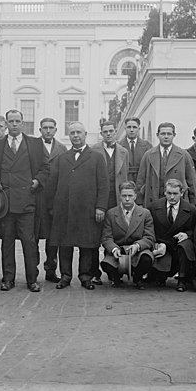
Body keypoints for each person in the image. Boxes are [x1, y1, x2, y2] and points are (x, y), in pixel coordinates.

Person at [0, 109, 49, 292]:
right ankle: (8, 279)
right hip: (5, 204)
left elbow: (45, 168)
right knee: (7, 242)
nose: (13, 124)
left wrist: (37, 181)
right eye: (10, 121)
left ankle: (32, 280)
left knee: (29, 242)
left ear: (22, 122)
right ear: (6, 123)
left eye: (17, 121)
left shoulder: (35, 143)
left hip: (27, 202)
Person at [47, 122, 109, 290]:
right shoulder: (62, 158)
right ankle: (66, 276)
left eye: (78, 132)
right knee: (64, 244)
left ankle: (85, 276)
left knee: (87, 244)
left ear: (85, 134)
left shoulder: (96, 157)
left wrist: (100, 207)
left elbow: (104, 185)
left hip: (87, 209)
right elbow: (52, 184)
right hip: (64, 210)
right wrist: (52, 207)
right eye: (72, 133)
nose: (75, 135)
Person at [91, 120, 130, 284]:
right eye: (105, 131)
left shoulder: (123, 151)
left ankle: (116, 272)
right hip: (98, 200)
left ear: (116, 132)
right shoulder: (93, 151)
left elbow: (126, 176)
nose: (108, 134)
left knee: (116, 235)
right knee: (94, 237)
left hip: (116, 199)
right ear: (101, 133)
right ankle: (94, 273)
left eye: (111, 131)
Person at [146, 179, 196, 292]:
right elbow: (148, 228)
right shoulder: (154, 208)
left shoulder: (191, 210)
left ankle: (182, 279)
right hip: (161, 244)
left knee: (185, 246)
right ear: (164, 192)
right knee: (157, 280)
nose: (171, 197)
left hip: (179, 246)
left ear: (181, 193)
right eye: (169, 193)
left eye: (175, 194)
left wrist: (187, 234)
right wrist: (155, 242)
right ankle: (158, 273)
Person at [100, 181, 155, 289]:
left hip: (137, 251)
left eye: (130, 195)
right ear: (120, 196)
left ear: (135, 196)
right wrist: (114, 249)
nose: (127, 199)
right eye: (124, 196)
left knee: (147, 259)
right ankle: (116, 278)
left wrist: (137, 246)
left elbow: (149, 237)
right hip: (119, 249)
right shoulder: (111, 213)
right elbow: (106, 237)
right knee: (106, 264)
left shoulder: (144, 213)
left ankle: (138, 278)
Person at [34, 117, 67, 283]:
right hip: (36, 197)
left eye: (51, 128)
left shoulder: (62, 148)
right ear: (40, 130)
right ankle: (32, 270)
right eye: (44, 128)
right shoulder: (32, 146)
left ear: (55, 130)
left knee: (53, 238)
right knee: (33, 236)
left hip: (54, 198)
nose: (48, 130)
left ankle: (51, 270)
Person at [136, 122, 196, 208]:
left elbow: (192, 181)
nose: (166, 136)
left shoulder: (183, 155)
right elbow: (140, 180)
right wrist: (139, 202)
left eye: (169, 134)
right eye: (163, 134)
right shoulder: (148, 155)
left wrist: (194, 203)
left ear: (174, 135)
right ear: (157, 135)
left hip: (177, 200)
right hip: (154, 199)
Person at [119, 117, 152, 184]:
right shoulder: (118, 146)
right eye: (129, 127)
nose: (131, 130)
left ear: (138, 129)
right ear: (125, 128)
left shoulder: (147, 146)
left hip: (142, 181)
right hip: (124, 181)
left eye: (134, 127)